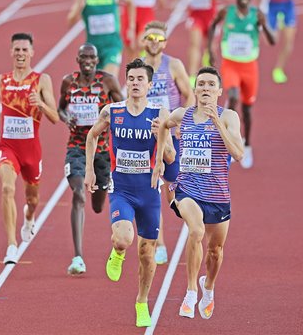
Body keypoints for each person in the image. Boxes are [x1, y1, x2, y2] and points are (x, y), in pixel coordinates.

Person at [84, 58, 175, 328]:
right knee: (123, 239)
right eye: (131, 79)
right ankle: (118, 252)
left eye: (140, 80)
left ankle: (142, 301)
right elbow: (92, 136)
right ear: (126, 82)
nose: (135, 84)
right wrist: (90, 170)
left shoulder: (160, 114)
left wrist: (163, 135)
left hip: (148, 193)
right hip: (121, 190)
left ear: (149, 84)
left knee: (147, 254)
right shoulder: (112, 112)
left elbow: (170, 158)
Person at [152, 66, 244, 320]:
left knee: (215, 251)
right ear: (194, 89)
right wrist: (160, 159)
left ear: (219, 91)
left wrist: (218, 124)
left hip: (217, 195)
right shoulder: (183, 114)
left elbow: (238, 154)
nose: (205, 88)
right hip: (187, 189)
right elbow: (163, 126)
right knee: (196, 231)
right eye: (201, 84)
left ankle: (208, 287)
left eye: (210, 85)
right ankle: (191, 291)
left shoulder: (229, 117)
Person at [0, 33, 59, 265]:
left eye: (25, 50)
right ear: (11, 52)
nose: (21, 54)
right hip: (8, 147)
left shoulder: (42, 80)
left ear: (32, 52)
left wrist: (40, 104)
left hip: (31, 150)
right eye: (17, 50)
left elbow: (54, 117)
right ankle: (12, 245)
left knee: (32, 199)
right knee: (6, 189)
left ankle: (29, 217)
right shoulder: (0, 80)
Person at [58, 43, 124, 275]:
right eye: (83, 57)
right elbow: (61, 109)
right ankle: (78, 257)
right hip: (76, 147)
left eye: (92, 58)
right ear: (77, 59)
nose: (87, 61)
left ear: (97, 60)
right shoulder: (69, 82)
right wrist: (67, 118)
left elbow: (123, 107)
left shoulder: (107, 82)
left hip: (103, 150)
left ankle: (100, 193)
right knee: (78, 194)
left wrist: (108, 120)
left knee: (97, 204)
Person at [142, 21, 195, 265]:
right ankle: (160, 243)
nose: (155, 42)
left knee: (173, 191)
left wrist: (183, 121)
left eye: (160, 38)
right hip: (146, 137)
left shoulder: (173, 65)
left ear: (165, 42)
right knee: (152, 190)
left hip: (172, 137)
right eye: (151, 37)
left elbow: (190, 93)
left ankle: (193, 225)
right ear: (144, 40)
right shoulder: (138, 68)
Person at [207, 0, 275, 169]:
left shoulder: (256, 15)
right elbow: (212, 26)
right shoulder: (226, 12)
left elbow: (273, 41)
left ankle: (247, 143)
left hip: (250, 67)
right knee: (233, 96)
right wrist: (211, 50)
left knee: (247, 109)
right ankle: (229, 136)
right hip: (230, 64)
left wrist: (264, 26)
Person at [67, 0, 135, 77]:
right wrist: (79, 7)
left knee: (109, 80)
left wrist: (131, 27)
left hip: (112, 45)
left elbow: (130, 3)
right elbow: (70, 22)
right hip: (92, 48)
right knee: (94, 86)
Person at [173, 0, 230, 87]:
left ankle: (209, 75)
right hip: (195, 16)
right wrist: (175, 1)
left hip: (211, 17)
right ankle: (192, 76)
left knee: (211, 47)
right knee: (194, 44)